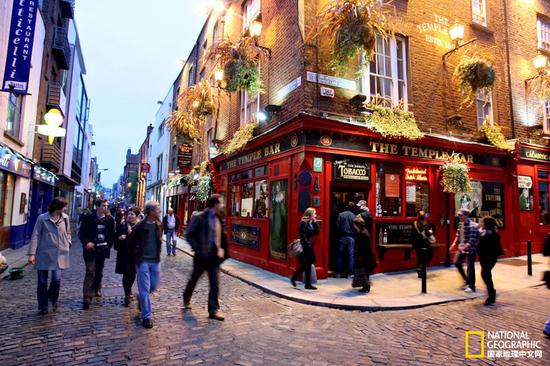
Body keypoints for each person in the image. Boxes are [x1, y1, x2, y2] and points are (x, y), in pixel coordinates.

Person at [183, 195, 228, 321]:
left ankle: (213, 310)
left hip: (214, 257)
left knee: (215, 284)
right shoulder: (199, 217)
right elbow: (189, 234)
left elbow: (221, 236)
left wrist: (222, 249)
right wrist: (197, 248)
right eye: (221, 202)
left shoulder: (219, 218)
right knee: (194, 279)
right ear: (215, 204)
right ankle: (186, 297)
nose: (223, 205)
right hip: (201, 256)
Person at [28, 197, 71, 315]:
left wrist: (68, 243)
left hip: (60, 254)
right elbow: (35, 235)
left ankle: (53, 298)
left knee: (56, 279)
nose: (65, 209)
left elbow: (68, 233)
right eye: (63, 207)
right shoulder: (42, 218)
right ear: (57, 207)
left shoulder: (65, 218)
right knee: (42, 281)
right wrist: (32, 254)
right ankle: (43, 306)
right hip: (44, 253)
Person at [127, 201, 163, 328]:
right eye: (157, 209)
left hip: (155, 261)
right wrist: (137, 256)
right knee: (144, 290)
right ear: (151, 212)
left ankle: (141, 299)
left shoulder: (159, 224)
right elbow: (129, 244)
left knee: (153, 286)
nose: (159, 211)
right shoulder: (139, 227)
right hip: (143, 262)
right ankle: (146, 317)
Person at [78, 198, 116, 309]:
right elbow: (81, 234)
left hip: (102, 250)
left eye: (106, 206)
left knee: (99, 271)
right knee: (90, 271)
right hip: (90, 250)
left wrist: (108, 245)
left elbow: (112, 235)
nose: (106, 208)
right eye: (104, 206)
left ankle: (97, 287)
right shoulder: (88, 218)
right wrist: (87, 243)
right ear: (97, 207)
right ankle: (87, 297)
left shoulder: (110, 220)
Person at [115, 207, 141, 306]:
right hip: (124, 254)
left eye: (132, 214)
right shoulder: (122, 226)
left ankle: (129, 289)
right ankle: (126, 295)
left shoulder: (139, 227)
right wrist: (119, 238)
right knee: (126, 274)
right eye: (129, 214)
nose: (129, 216)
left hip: (135, 255)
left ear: (137, 216)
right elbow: (115, 239)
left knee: (133, 273)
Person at [450, 208, 479, 293]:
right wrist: (453, 244)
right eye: (458, 215)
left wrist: (464, 247)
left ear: (466, 216)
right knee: (456, 262)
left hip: (470, 249)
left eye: (461, 215)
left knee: (470, 267)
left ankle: (472, 286)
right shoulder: (460, 224)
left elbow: (472, 240)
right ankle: (467, 280)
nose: (459, 216)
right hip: (462, 247)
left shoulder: (472, 225)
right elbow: (458, 235)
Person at [290, 208, 320, 290]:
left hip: (309, 246)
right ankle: (305, 283)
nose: (315, 215)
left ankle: (299, 280)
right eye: (314, 214)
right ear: (310, 214)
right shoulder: (303, 222)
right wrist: (307, 245)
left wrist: (315, 222)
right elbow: (302, 235)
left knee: (308, 264)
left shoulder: (311, 223)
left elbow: (317, 232)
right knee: (307, 264)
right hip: (304, 247)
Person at [477, 216, 503, 306]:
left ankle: (491, 295)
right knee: (486, 274)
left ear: (486, 224)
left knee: (485, 274)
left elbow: (491, 246)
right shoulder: (483, 232)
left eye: (482, 222)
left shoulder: (492, 233)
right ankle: (491, 293)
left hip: (490, 258)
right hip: (484, 257)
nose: (480, 223)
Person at [352, 216, 376, 293]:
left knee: (363, 272)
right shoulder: (363, 231)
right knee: (364, 272)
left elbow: (362, 247)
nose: (353, 226)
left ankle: (366, 287)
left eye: (354, 224)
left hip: (364, 256)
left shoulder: (362, 234)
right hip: (366, 256)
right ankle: (365, 286)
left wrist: (359, 257)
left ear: (357, 224)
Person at [336, 202, 357, 278]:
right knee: (350, 255)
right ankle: (350, 273)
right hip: (351, 237)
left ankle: (338, 272)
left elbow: (337, 226)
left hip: (342, 237)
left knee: (339, 255)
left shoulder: (340, 215)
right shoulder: (354, 216)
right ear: (353, 207)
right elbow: (356, 228)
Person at [412, 211, 435, 278]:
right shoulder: (426, 223)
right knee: (429, 254)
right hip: (424, 243)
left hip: (416, 243)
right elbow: (428, 233)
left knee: (419, 257)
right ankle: (422, 268)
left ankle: (419, 272)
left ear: (418, 216)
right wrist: (431, 233)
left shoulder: (415, 223)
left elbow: (413, 234)